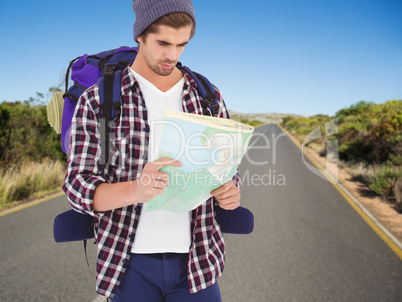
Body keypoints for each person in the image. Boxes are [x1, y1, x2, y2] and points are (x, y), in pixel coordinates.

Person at [63, 0, 241, 301]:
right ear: (140, 35)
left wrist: (229, 190)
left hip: (197, 263)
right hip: (127, 263)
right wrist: (134, 189)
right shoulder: (99, 99)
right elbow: (76, 185)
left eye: (181, 45)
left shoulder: (207, 96)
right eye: (163, 43)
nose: (172, 55)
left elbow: (226, 168)